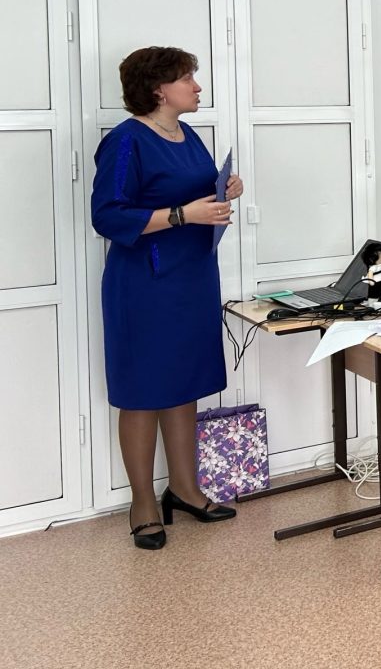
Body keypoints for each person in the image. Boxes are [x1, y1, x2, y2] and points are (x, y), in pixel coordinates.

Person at [90, 46, 244, 550]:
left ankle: (184, 488)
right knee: (143, 390)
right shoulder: (126, 140)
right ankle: (142, 505)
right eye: (187, 78)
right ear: (159, 89)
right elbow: (107, 216)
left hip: (192, 276)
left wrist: (225, 190)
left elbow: (196, 193)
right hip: (145, 283)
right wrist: (182, 215)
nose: (197, 87)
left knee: (184, 382)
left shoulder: (188, 134)